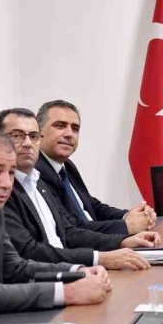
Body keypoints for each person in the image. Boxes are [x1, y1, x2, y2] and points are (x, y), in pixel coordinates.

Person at [0, 129, 111, 314]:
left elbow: (14, 267)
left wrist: (77, 272)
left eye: (11, 172)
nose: (6, 184)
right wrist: (68, 293)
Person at [0, 108, 153, 271]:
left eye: (33, 136)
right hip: (48, 277)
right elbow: (28, 251)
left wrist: (121, 242)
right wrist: (98, 258)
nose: (27, 143)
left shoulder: (37, 181)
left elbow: (68, 231)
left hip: (69, 269)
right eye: (17, 136)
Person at [35, 99, 155, 234]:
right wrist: (126, 226)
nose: (69, 134)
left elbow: (91, 205)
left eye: (75, 128)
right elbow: (71, 228)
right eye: (60, 126)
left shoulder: (67, 166)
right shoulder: (36, 172)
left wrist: (129, 215)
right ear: (38, 132)